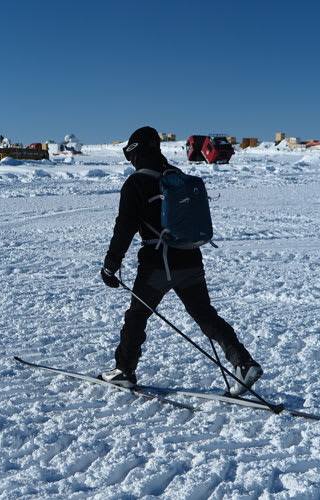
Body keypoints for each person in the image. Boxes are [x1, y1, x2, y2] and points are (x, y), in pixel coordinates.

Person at [99, 126, 262, 395]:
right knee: (204, 314)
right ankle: (243, 364)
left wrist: (110, 266)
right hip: (191, 260)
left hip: (156, 265)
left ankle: (124, 370)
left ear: (136, 153)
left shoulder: (136, 184)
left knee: (137, 316)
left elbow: (124, 229)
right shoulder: (178, 177)